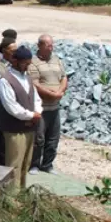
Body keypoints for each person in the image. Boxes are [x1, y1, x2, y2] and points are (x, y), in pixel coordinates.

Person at [0, 45, 42, 188]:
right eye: (25, 63)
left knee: (25, 164)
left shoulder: (27, 78)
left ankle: (21, 193)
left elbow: (36, 99)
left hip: (29, 128)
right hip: (14, 129)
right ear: (15, 61)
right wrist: (31, 115)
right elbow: (12, 107)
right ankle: (11, 196)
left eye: (29, 63)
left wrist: (37, 112)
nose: (27, 66)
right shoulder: (5, 80)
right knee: (14, 165)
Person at [29, 34, 68, 174]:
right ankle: (34, 164)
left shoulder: (56, 60)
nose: (51, 48)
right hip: (41, 108)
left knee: (53, 137)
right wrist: (52, 94)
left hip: (55, 107)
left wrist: (60, 91)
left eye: (52, 45)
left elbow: (64, 77)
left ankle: (48, 164)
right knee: (39, 138)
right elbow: (35, 83)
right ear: (40, 46)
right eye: (48, 45)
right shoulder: (33, 62)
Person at [0, 38, 17, 165]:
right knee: (1, 141)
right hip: (2, 109)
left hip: (16, 109)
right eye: (13, 50)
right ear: (4, 51)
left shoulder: (18, 67)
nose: (15, 53)